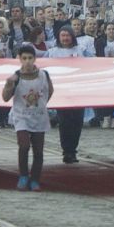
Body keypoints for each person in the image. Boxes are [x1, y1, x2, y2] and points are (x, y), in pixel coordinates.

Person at [2, 44, 53, 191]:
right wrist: (8, 84)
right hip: (21, 117)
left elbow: (50, 90)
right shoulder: (16, 77)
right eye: (24, 58)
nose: (28, 62)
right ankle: (23, 175)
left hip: (38, 117)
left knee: (38, 150)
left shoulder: (44, 75)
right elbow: (5, 98)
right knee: (24, 146)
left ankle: (35, 179)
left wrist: (42, 104)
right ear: (19, 59)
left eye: (30, 58)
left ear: (35, 59)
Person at [45, 25, 84, 164]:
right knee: (65, 122)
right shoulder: (52, 52)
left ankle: (73, 150)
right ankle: (66, 151)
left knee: (77, 122)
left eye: (68, 35)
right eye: (63, 35)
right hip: (62, 92)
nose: (65, 38)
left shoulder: (80, 50)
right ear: (59, 37)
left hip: (78, 92)